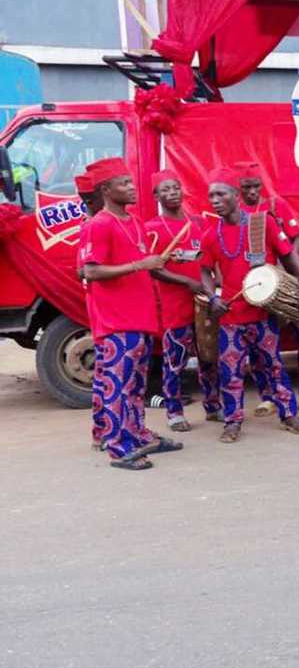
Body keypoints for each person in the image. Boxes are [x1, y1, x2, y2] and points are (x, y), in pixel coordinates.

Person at [76, 158, 182, 470]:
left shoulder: (134, 221)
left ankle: (137, 434)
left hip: (140, 319)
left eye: (131, 182)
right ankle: (118, 447)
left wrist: (158, 261)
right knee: (117, 387)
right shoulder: (99, 224)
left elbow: (143, 263)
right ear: (106, 190)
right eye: (124, 184)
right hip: (116, 322)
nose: (132, 188)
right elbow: (90, 271)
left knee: (135, 386)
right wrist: (139, 265)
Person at [199, 167, 299, 443]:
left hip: (263, 314)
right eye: (211, 196)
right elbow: (204, 272)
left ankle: (289, 415)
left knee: (274, 367)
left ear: (236, 196)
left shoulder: (263, 224)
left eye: (221, 194)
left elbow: (288, 255)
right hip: (230, 317)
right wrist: (213, 298)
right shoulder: (210, 234)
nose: (215, 200)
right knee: (231, 373)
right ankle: (232, 422)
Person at [237, 162, 299, 414]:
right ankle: (268, 396)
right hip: (258, 285)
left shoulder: (275, 206)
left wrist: (285, 263)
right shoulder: (237, 213)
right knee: (261, 343)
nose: (252, 191)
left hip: (285, 279)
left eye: (256, 186)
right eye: (247, 187)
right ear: (238, 188)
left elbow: (295, 237)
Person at [145, 169, 222, 430]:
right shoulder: (152, 229)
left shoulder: (198, 222)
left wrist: (216, 284)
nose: (172, 193)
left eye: (175, 187)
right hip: (174, 305)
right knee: (174, 361)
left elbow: (210, 258)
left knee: (209, 358)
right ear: (156, 196)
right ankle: (174, 413)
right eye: (165, 190)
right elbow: (153, 269)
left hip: (203, 302)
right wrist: (186, 282)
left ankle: (213, 407)